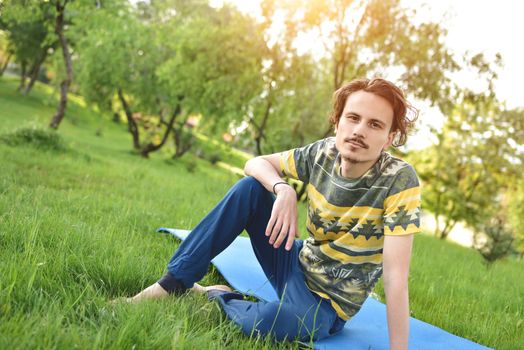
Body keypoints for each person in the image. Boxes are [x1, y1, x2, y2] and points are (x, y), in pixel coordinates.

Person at [129, 78, 421, 350]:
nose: (359, 131)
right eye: (353, 118)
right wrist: (283, 189)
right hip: (293, 260)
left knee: (270, 321)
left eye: (374, 124)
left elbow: (396, 275)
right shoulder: (323, 153)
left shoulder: (399, 180)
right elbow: (255, 163)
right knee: (250, 190)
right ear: (338, 122)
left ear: (390, 137)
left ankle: (214, 293)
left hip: (326, 305)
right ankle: (171, 284)